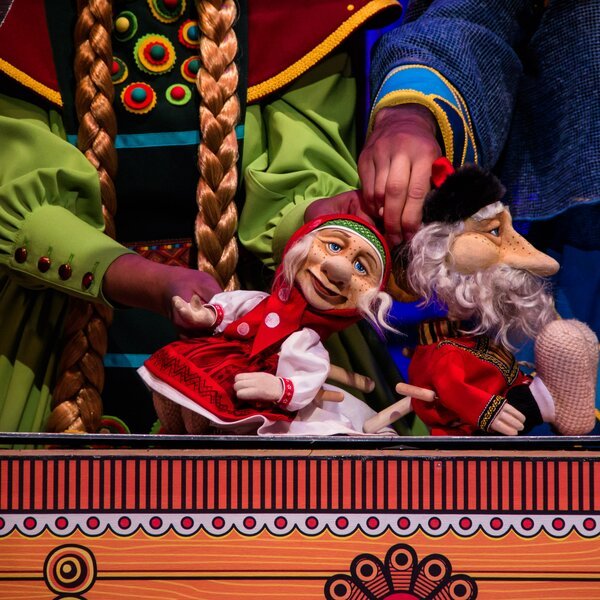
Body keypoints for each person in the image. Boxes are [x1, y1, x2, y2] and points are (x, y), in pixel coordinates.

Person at [0, 0, 405, 435]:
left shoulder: (305, 14)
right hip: (55, 347)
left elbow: (301, 182)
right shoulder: (23, 16)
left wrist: (316, 226)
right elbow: (16, 197)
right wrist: (145, 280)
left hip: (271, 345)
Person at [139, 214, 396, 436]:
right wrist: (205, 315)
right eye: (334, 246)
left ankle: (196, 447)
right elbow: (235, 308)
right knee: (171, 390)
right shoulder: (262, 302)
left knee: (204, 420)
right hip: (216, 358)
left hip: (251, 387)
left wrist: (278, 388)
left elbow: (308, 376)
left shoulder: (306, 340)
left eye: (361, 267)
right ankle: (173, 439)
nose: (339, 269)